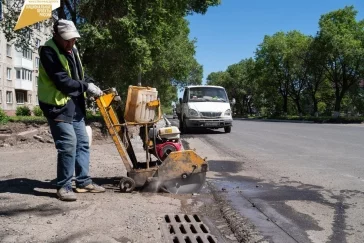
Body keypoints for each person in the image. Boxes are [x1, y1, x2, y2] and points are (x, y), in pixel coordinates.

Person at [38, 19, 105, 201]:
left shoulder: (73, 50)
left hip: (74, 105)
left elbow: (78, 76)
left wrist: (91, 85)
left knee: (82, 143)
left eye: (73, 39)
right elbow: (62, 81)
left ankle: (83, 182)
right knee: (68, 144)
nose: (70, 43)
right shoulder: (48, 51)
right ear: (56, 36)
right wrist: (85, 87)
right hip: (56, 106)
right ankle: (64, 186)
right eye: (67, 39)